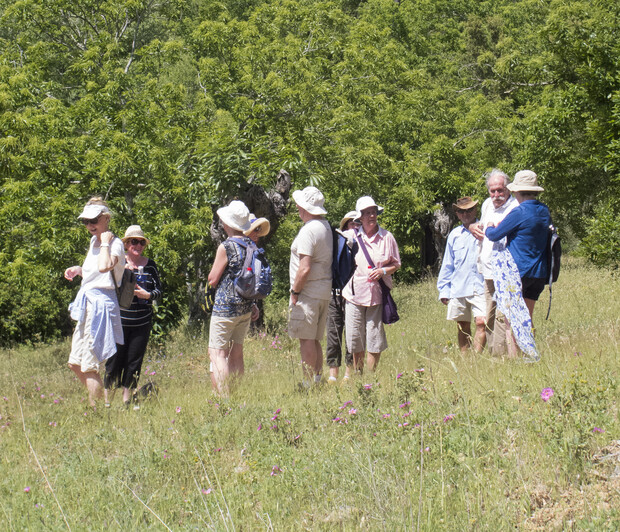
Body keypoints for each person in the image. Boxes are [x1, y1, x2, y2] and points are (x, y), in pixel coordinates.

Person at [64, 197, 125, 406]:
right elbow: (94, 273)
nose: (90, 225)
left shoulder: (114, 244)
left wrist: (106, 242)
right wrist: (79, 270)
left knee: (89, 365)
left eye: (94, 220)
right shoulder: (93, 242)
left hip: (100, 306)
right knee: (75, 363)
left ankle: (97, 411)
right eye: (86, 221)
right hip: (86, 301)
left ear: (106, 219)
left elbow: (105, 267)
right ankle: (101, 401)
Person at [103, 225, 162, 408]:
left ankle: (127, 400)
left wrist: (148, 295)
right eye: (133, 241)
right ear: (126, 244)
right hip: (119, 321)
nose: (138, 245)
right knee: (114, 361)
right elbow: (105, 284)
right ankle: (107, 402)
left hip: (142, 322)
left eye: (141, 242)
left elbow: (159, 291)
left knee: (134, 361)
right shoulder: (118, 262)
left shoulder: (150, 265)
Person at [341, 196, 401, 373]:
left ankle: (371, 377)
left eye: (373, 212)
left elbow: (396, 264)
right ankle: (358, 375)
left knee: (374, 337)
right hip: (353, 294)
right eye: (367, 213)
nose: (371, 216)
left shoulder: (387, 237)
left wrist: (383, 271)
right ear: (360, 217)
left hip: (376, 295)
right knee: (355, 337)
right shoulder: (351, 236)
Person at [207, 201, 259, 395]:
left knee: (217, 353)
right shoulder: (251, 245)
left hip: (224, 307)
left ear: (228, 223)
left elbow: (213, 279)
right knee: (236, 352)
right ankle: (236, 394)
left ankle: (224, 398)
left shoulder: (226, 246)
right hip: (245, 306)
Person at [485, 170, 551, 321]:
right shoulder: (544, 210)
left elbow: (494, 235)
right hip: (539, 273)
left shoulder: (519, 212)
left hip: (519, 272)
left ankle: (515, 346)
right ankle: (529, 345)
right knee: (527, 318)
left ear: (516, 191)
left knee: (513, 322)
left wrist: (489, 226)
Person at [469, 169, 518, 354]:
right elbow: (481, 226)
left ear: (508, 190)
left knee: (503, 316)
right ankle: (495, 355)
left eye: (500, 190)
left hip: (506, 269)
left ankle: (505, 356)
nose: (496, 195)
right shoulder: (487, 205)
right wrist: (474, 227)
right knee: (489, 316)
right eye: (492, 191)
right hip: (488, 270)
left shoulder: (514, 208)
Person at [288, 186, 333, 387]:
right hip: (323, 290)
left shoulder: (308, 230)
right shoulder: (325, 227)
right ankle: (317, 379)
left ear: (305, 208)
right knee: (315, 338)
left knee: (306, 339)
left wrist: (295, 292)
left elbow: (304, 268)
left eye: (299, 206)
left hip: (308, 292)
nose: (298, 209)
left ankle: (307, 385)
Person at [437, 197, 486, 353]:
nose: (465, 214)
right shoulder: (454, 235)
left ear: (475, 210)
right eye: (461, 211)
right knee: (462, 325)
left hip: (481, 285)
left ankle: (476, 359)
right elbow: (448, 264)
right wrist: (444, 290)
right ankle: (466, 360)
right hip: (459, 286)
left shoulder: (485, 228)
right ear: (457, 213)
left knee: (481, 322)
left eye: (469, 210)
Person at [326, 211, 360, 382]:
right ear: (346, 225)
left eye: (358, 223)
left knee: (352, 335)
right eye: (352, 223)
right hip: (334, 294)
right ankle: (333, 375)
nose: (355, 226)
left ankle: (349, 373)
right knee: (333, 333)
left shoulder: (361, 244)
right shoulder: (336, 243)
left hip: (354, 294)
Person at [243, 214, 270, 330]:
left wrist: (252, 303)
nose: (257, 233)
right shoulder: (237, 250)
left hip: (243, 305)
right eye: (254, 229)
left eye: (258, 229)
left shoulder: (253, 251)